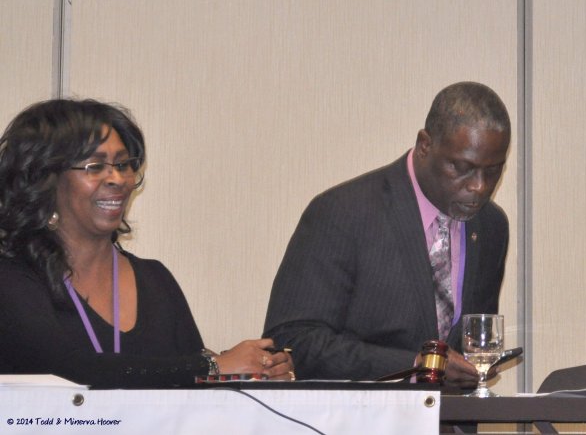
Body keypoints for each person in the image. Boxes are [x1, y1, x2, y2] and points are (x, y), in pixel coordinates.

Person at [0, 99, 294, 388]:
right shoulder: (12, 276)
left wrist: (253, 369)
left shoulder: (155, 279)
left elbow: (189, 384)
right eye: (95, 166)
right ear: (44, 179)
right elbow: (66, 370)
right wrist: (212, 367)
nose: (117, 178)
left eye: (123, 164)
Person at [264, 81, 510, 389]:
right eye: (462, 168)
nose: (479, 186)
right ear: (425, 145)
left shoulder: (490, 226)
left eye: (493, 171)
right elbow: (292, 341)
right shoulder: (343, 212)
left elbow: (468, 344)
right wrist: (416, 366)